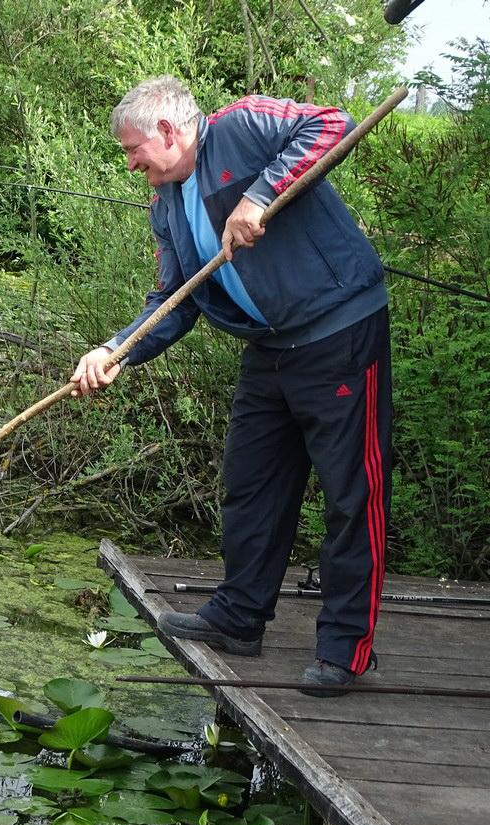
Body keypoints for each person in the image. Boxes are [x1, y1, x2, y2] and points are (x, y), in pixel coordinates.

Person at [70, 76, 391, 697]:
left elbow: (333, 122)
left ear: (167, 130)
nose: (130, 161)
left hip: (338, 332)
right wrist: (115, 351)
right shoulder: (165, 204)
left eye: (132, 148)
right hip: (267, 347)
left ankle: (347, 648)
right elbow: (171, 301)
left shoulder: (241, 126)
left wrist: (258, 196)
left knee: (353, 490)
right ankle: (240, 618)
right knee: (251, 482)